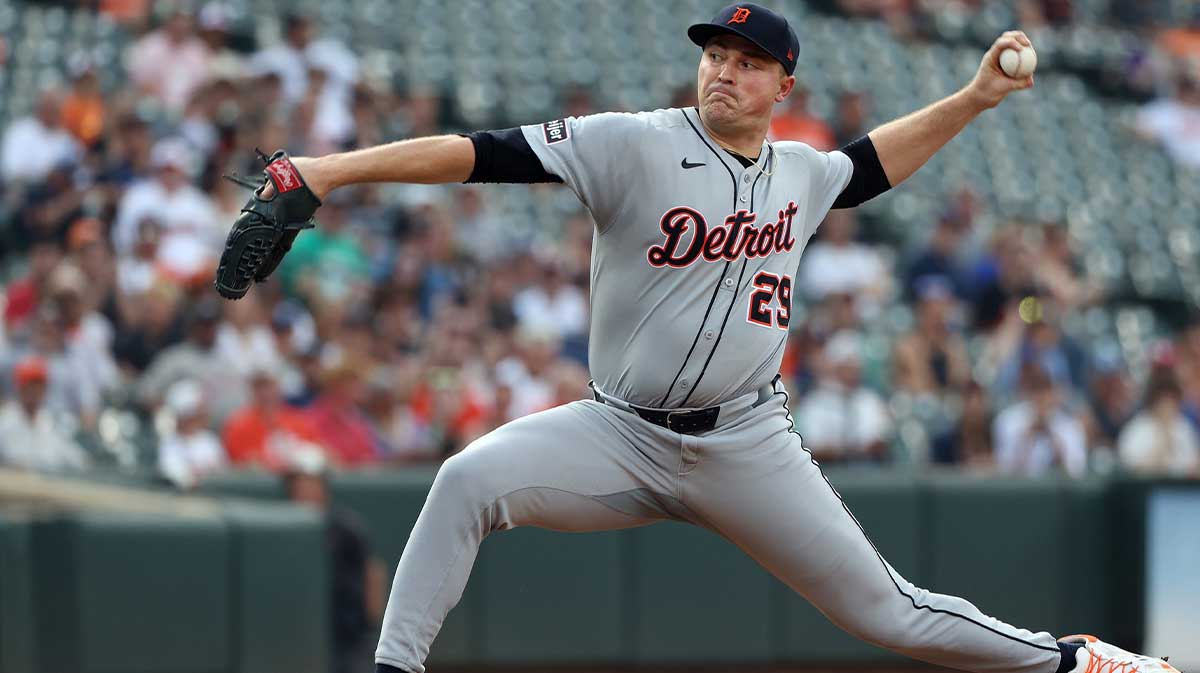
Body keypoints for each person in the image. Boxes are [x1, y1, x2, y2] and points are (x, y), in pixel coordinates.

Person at [245, 5, 1165, 673]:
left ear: (783, 85)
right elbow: (476, 152)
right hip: (618, 430)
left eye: (748, 60)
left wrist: (972, 97)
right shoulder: (634, 143)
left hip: (746, 442)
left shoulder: (801, 172)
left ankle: (1071, 661)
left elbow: (872, 164)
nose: (724, 70)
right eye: (716, 54)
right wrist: (330, 170)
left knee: (891, 612)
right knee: (465, 479)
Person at [283, 459, 385, 673]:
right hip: (300, 630)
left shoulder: (346, 525)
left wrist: (370, 622)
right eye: (301, 484)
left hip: (347, 632)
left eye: (312, 483)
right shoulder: (282, 527)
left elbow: (373, 572)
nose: (306, 489)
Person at [0, 356, 90, 473]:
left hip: (48, 486)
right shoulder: (5, 421)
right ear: (20, 387)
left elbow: (77, 459)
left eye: (38, 386)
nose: (34, 391)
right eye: (30, 385)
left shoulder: (50, 422)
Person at [1117, 370, 1200, 477]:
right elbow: (1132, 468)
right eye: (1163, 400)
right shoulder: (1138, 428)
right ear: (1154, 401)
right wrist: (1163, 442)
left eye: (1172, 399)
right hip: (1149, 490)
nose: (1167, 405)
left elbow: (1194, 465)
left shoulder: (1184, 427)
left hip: (1182, 490)